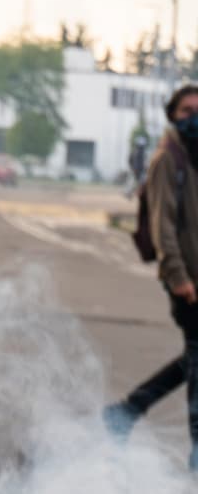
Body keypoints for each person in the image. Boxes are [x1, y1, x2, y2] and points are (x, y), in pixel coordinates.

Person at [104, 86, 198, 468]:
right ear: (173, 115)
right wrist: (178, 276)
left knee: (193, 358)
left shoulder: (194, 158)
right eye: (187, 109)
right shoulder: (167, 158)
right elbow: (163, 227)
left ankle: (127, 411)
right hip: (185, 281)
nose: (194, 116)